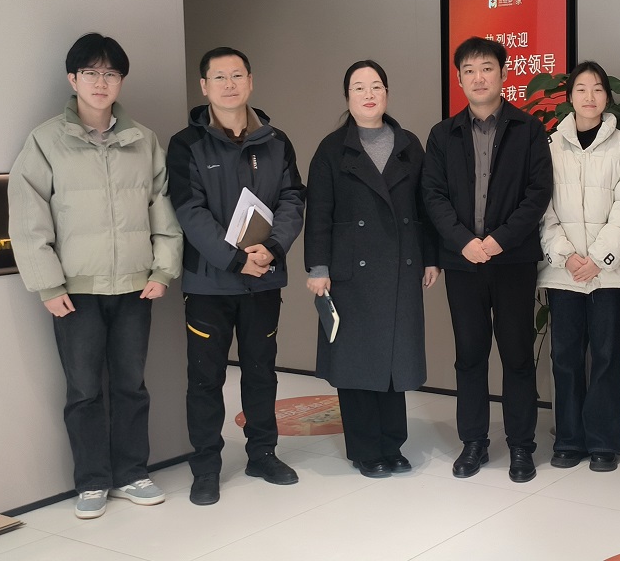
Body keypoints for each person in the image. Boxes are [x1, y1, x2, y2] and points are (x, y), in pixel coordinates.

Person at [8, 33, 183, 519]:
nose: (100, 82)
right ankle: (91, 481)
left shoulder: (143, 140)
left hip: (135, 287)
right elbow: (28, 218)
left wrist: (163, 270)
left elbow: (163, 210)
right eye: (90, 73)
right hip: (75, 291)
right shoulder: (46, 141)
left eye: (110, 73)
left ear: (121, 81)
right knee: (84, 390)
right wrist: (48, 284)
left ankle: (131, 473)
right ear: (73, 79)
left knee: (131, 385)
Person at [167, 47, 306, 506]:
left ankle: (262, 454)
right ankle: (206, 467)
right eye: (219, 77)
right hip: (209, 283)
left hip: (263, 278)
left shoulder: (276, 141)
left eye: (237, 75)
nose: (229, 85)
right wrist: (233, 259)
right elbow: (189, 210)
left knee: (261, 372)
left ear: (250, 81)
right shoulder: (186, 144)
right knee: (205, 379)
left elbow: (292, 199)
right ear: (204, 86)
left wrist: (272, 248)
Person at [422, 36, 553, 483]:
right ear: (459, 79)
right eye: (469, 70)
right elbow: (433, 195)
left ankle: (521, 446)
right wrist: (464, 242)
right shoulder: (442, 135)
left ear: (503, 73)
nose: (478, 78)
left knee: (517, 355)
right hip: (463, 263)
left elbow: (538, 193)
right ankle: (473, 441)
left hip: (512, 261)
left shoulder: (528, 129)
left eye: (487, 68)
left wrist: (497, 241)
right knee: (470, 355)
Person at [303, 60, 440, 478]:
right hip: (350, 272)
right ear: (347, 96)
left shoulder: (408, 145)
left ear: (387, 94)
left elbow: (426, 207)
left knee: (395, 362)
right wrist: (318, 267)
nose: (368, 94)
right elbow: (319, 212)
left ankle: (392, 445)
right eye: (359, 87)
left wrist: (431, 257)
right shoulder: (332, 149)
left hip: (400, 266)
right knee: (357, 363)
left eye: (376, 86)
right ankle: (365, 449)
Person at [538, 61, 620, 473]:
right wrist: (566, 257)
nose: (589, 97)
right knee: (565, 357)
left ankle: (603, 443)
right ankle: (568, 440)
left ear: (607, 97)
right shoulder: (550, 146)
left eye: (597, 89)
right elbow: (543, 211)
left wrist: (598, 260)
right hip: (564, 273)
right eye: (581, 89)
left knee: (606, 356)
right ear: (569, 96)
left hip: (608, 274)